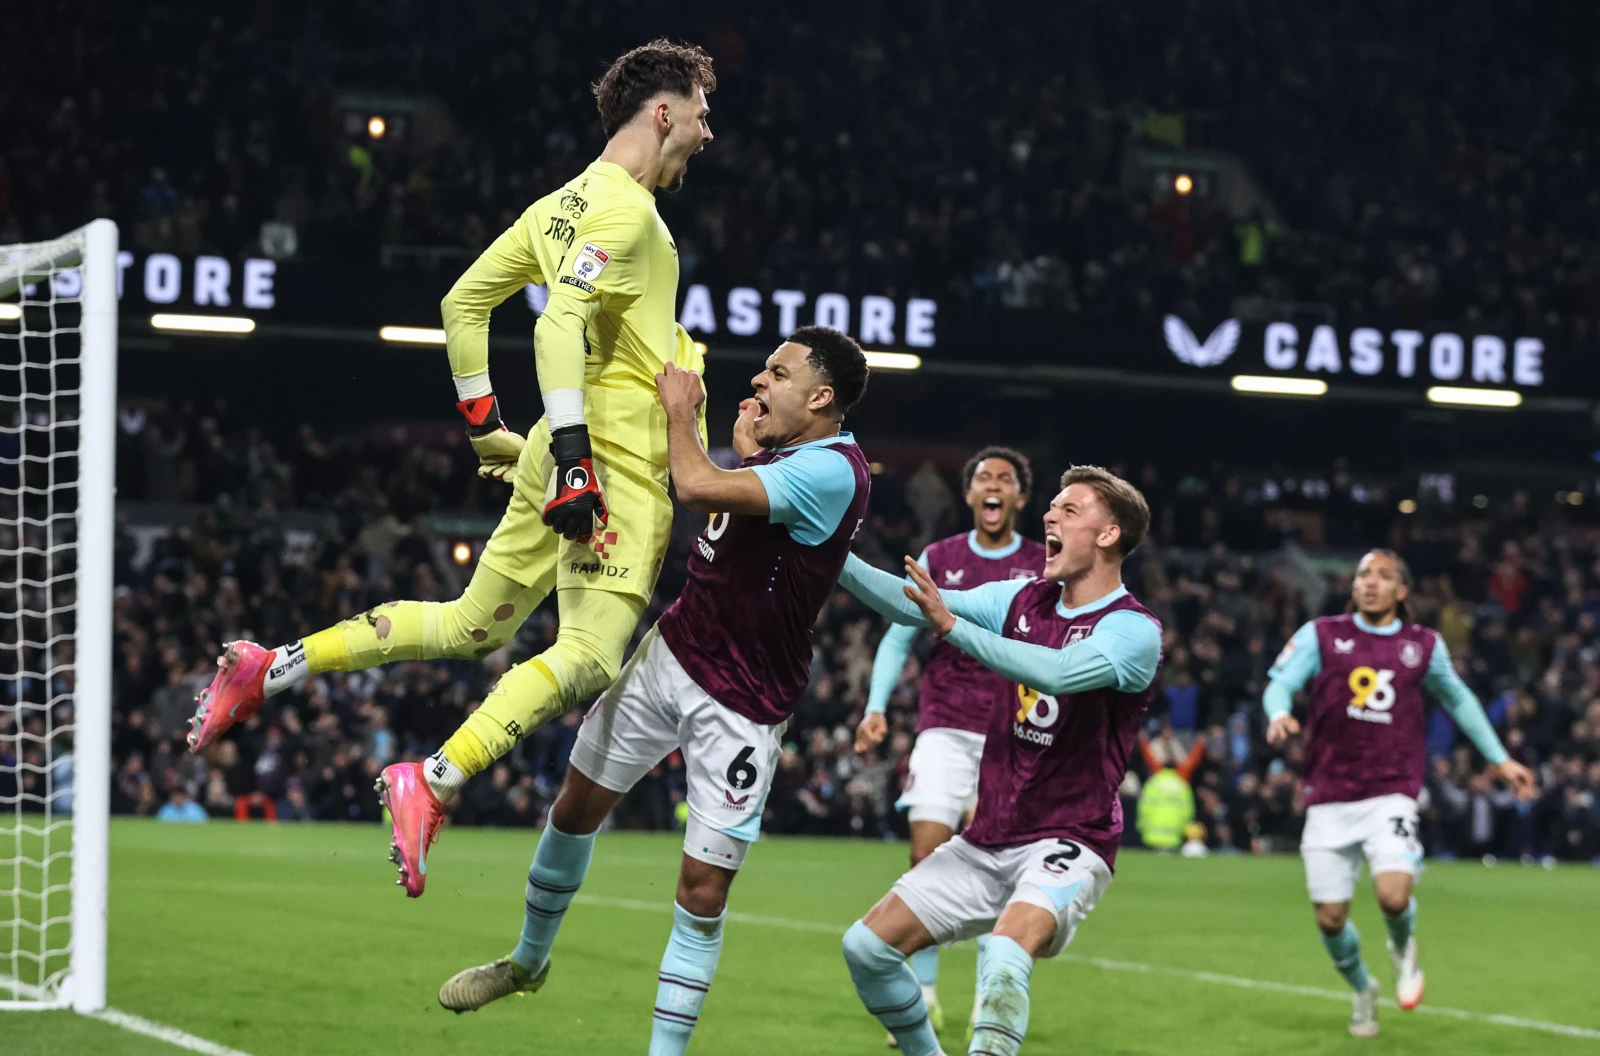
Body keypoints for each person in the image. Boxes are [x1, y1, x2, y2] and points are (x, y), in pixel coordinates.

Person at [183, 40, 718, 895]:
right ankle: (431, 779)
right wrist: (575, 458)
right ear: (662, 112)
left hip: (556, 440)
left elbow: (461, 304)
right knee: (588, 656)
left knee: (474, 624)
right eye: (698, 111)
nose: (706, 130)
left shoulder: (554, 207)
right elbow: (556, 324)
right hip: (609, 460)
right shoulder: (628, 213)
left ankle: (272, 666)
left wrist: (486, 431)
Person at [436, 328, 870, 1056]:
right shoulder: (790, 454)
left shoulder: (835, 471)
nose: (760, 380)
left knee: (702, 893)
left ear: (821, 397)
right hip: (674, 650)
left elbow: (696, 487)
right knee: (573, 808)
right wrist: (747, 449)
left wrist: (681, 412)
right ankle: (527, 962)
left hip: (744, 701)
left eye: (778, 373)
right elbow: (735, 517)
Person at [837, 467, 1160, 1056]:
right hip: (992, 835)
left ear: (1109, 534)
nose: (1048, 516)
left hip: (1071, 837)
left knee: (1007, 951)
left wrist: (953, 627)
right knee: (865, 948)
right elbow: (915, 606)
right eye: (1053, 506)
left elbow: (1057, 673)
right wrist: (828, 550)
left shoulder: (1132, 630)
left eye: (1069, 509)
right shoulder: (1020, 597)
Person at [1262, 549, 1538, 1037]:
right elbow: (1280, 682)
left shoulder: (1422, 645)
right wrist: (1279, 711)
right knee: (1330, 920)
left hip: (1392, 789)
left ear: (1402, 591)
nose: (1370, 582)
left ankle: (1402, 950)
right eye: (1364, 574)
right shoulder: (1322, 634)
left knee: (1393, 894)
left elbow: (1458, 698)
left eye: (1383, 576)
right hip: (1328, 794)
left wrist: (1499, 759)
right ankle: (1364, 989)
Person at [854, 446, 1044, 1041]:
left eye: (1005, 479)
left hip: (1012, 736)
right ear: (968, 496)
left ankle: (994, 994)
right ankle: (926, 993)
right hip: (944, 725)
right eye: (983, 477)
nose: (993, 486)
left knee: (1005, 873)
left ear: (1020, 497)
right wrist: (877, 707)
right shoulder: (941, 558)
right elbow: (895, 637)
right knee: (927, 857)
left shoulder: (1042, 565)